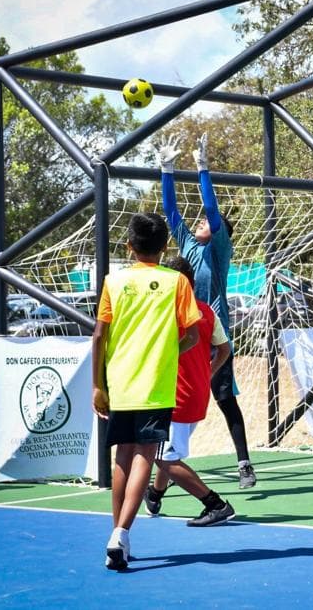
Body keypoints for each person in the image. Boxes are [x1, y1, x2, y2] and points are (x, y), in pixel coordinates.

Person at [92, 213, 201, 570]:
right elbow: (193, 335)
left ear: (129, 246)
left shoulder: (113, 281)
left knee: (122, 454)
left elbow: (99, 335)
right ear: (165, 246)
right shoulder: (176, 282)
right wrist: (168, 351)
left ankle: (117, 535)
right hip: (156, 383)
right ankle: (122, 532)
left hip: (119, 382)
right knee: (145, 454)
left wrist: (97, 384)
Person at [158, 132, 256, 489]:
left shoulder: (219, 250)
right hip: (184, 335)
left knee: (225, 399)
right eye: (197, 220)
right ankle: (165, 474)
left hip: (215, 337)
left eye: (206, 222)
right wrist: (167, 170)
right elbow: (171, 211)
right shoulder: (186, 244)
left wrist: (203, 169)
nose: (200, 221)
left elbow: (213, 213)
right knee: (172, 405)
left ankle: (244, 464)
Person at [143, 256, 235, 526]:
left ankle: (215, 504)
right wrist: (207, 372)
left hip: (176, 395)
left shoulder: (168, 311)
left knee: (162, 456)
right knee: (170, 451)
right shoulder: (207, 310)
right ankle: (155, 493)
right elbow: (225, 349)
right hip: (198, 392)